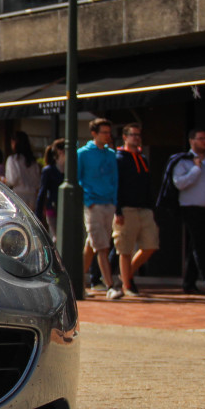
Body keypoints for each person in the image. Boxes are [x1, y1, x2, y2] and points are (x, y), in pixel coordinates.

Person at [172, 129, 205, 295]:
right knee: (201, 245)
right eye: (200, 138)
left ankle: (189, 282)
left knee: (196, 246)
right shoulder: (183, 161)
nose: (204, 141)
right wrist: (195, 170)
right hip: (191, 209)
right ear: (191, 141)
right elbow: (179, 183)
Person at [113, 123, 159, 297]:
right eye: (133, 134)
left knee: (150, 245)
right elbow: (116, 186)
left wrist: (151, 207)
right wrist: (117, 210)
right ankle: (127, 284)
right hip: (126, 209)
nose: (136, 138)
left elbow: (148, 186)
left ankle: (126, 274)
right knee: (124, 248)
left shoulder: (143, 158)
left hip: (144, 209)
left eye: (138, 135)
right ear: (125, 137)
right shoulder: (118, 159)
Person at [78, 118, 122, 299]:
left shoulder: (111, 154)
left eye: (108, 132)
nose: (107, 136)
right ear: (94, 133)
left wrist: (114, 201)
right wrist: (88, 200)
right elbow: (77, 178)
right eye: (104, 132)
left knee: (93, 243)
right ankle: (110, 285)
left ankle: (75, 282)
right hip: (93, 204)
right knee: (102, 246)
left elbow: (115, 179)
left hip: (108, 204)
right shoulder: (82, 153)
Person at [35, 138, 66, 240]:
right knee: (57, 237)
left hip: (66, 208)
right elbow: (42, 192)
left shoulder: (70, 170)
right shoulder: (48, 170)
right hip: (53, 207)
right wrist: (38, 215)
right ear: (61, 152)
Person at [4, 131, 40, 209]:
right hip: (32, 196)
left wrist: (4, 180)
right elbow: (37, 182)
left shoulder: (12, 159)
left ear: (14, 143)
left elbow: (12, 180)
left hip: (18, 195)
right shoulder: (33, 161)